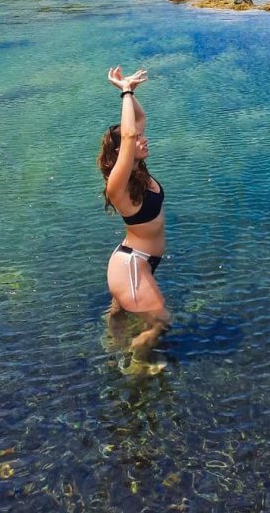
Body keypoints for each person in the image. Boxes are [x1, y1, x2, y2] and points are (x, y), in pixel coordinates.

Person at [97, 66, 171, 357]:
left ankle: (111, 338)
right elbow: (128, 135)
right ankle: (134, 369)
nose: (143, 138)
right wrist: (124, 91)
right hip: (131, 264)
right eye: (135, 140)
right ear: (120, 154)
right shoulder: (118, 184)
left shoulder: (139, 171)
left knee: (122, 310)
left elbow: (138, 120)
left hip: (141, 261)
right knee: (161, 323)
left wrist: (131, 92)